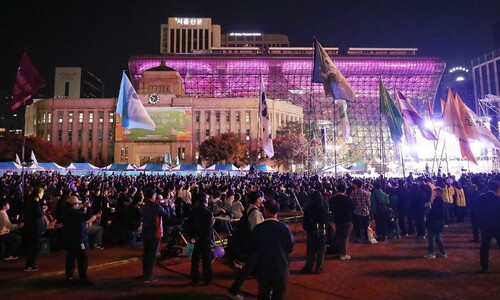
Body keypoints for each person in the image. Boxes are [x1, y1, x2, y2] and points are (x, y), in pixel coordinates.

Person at [251, 199, 294, 300]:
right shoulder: (284, 228)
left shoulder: (258, 228)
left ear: (265, 210)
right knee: (279, 295)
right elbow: (290, 247)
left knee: (263, 294)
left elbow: (253, 248)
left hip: (264, 267)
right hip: (280, 267)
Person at [228, 191, 264, 300]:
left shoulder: (250, 209)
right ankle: (233, 291)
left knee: (250, 269)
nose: (261, 200)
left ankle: (233, 290)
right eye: (260, 198)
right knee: (250, 269)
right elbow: (257, 230)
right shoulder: (255, 212)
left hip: (250, 245)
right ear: (257, 199)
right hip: (254, 246)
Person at [62, 195, 94, 285]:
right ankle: (83, 278)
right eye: (77, 204)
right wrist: (89, 207)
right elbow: (87, 216)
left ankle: (69, 276)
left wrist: (83, 208)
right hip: (78, 239)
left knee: (70, 257)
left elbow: (77, 215)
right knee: (82, 258)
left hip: (70, 238)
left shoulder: (66, 210)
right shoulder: (74, 212)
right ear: (74, 204)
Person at [140, 187, 168, 283]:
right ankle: (148, 276)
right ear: (153, 196)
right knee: (152, 255)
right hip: (155, 233)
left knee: (146, 253)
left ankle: (145, 273)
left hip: (145, 232)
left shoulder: (143, 206)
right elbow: (167, 215)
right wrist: (166, 206)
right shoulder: (156, 207)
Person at [186, 192, 214, 285]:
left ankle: (195, 278)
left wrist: (193, 236)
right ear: (205, 200)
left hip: (195, 238)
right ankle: (207, 278)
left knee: (195, 259)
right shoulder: (208, 212)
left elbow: (189, 225)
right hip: (205, 239)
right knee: (206, 259)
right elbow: (208, 227)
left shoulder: (192, 211)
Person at [302, 190, 328, 273]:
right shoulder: (323, 208)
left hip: (311, 231)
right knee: (320, 251)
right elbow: (326, 220)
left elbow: (305, 221)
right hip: (321, 231)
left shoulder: (308, 208)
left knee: (310, 251)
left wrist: (306, 228)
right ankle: (318, 269)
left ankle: (308, 268)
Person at [477, 180, 500, 274]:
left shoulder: (481, 197)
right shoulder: (498, 199)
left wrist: (480, 223)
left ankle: (485, 266)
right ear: (497, 188)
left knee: (485, 246)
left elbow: (477, 211)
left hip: (485, 225)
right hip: (498, 225)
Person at [23, 187, 46, 271]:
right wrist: (43, 211)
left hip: (32, 228)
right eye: (42, 193)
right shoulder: (35, 202)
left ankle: (30, 264)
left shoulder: (30, 201)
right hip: (35, 228)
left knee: (33, 247)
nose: (43, 194)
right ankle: (30, 265)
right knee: (34, 247)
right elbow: (37, 214)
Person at [329, 183, 354, 260]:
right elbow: (353, 209)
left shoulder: (332, 199)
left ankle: (339, 252)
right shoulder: (348, 199)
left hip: (337, 219)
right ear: (345, 190)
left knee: (339, 235)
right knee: (345, 237)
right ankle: (343, 254)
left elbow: (331, 208)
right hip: (347, 220)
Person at [424, 187, 447, 259]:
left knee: (431, 237)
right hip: (439, 221)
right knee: (437, 237)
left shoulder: (438, 200)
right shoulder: (440, 200)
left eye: (436, 191)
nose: (434, 193)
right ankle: (443, 252)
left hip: (436, 221)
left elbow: (434, 212)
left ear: (439, 192)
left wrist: (429, 215)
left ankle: (431, 253)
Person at [350, 179, 371, 243]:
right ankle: (367, 237)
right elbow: (368, 203)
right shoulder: (366, 193)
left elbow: (351, 201)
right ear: (362, 185)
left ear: (356, 185)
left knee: (357, 225)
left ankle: (358, 238)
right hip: (365, 211)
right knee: (366, 225)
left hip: (357, 210)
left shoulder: (353, 192)